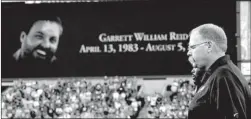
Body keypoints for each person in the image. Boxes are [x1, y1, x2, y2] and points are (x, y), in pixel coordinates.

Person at [187, 23, 251, 119]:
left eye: (192, 47)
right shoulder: (220, 74)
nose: (189, 52)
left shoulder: (224, 76)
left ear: (209, 46)